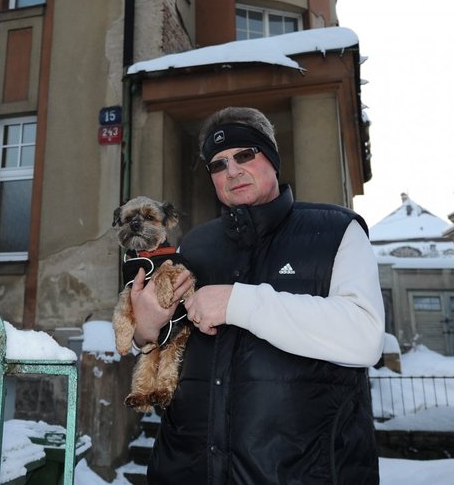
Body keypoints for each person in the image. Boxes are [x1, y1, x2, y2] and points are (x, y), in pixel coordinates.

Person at [129, 106, 385, 484]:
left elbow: (365, 337)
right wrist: (146, 332)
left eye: (244, 155)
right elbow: (172, 340)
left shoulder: (335, 231)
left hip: (304, 473)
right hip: (185, 469)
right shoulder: (197, 245)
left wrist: (239, 303)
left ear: (273, 159)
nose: (231, 171)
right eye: (218, 164)